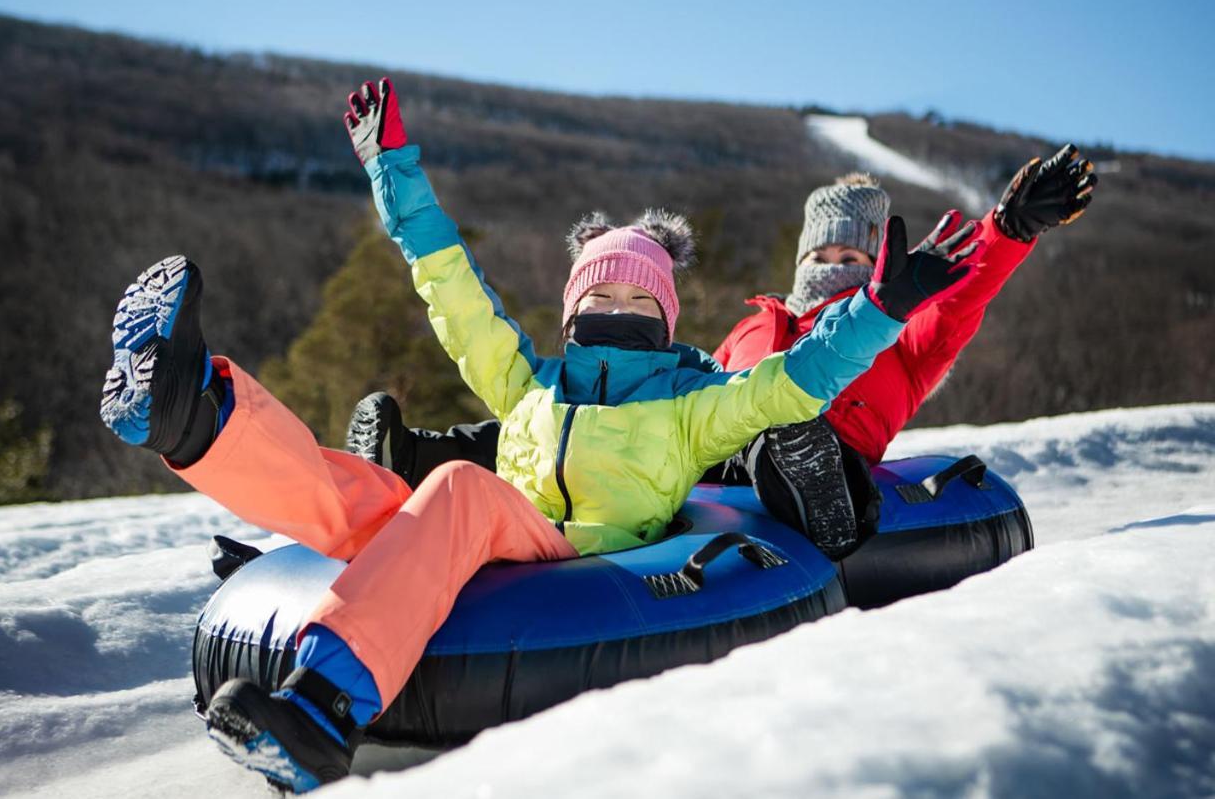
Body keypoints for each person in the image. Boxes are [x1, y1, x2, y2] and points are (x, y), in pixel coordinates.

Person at [98, 77, 980, 792]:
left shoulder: (689, 399)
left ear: (668, 319)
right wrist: (392, 169)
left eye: (640, 299)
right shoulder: (531, 381)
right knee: (358, 493)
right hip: (488, 539)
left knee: (458, 491)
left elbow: (798, 380)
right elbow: (452, 289)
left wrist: (879, 310)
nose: (617, 307)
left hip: (580, 557)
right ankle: (193, 413)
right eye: (599, 295)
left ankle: (325, 704)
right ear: (571, 309)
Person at [348, 151, 1096, 559]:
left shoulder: (904, 328)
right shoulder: (758, 323)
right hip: (703, 441)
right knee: (572, 422)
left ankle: (830, 511)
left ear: (876, 260)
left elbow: (968, 293)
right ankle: (407, 455)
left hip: (810, 445)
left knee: (786, 436)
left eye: (851, 251)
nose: (835, 260)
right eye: (824, 247)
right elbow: (696, 383)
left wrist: (1009, 226)